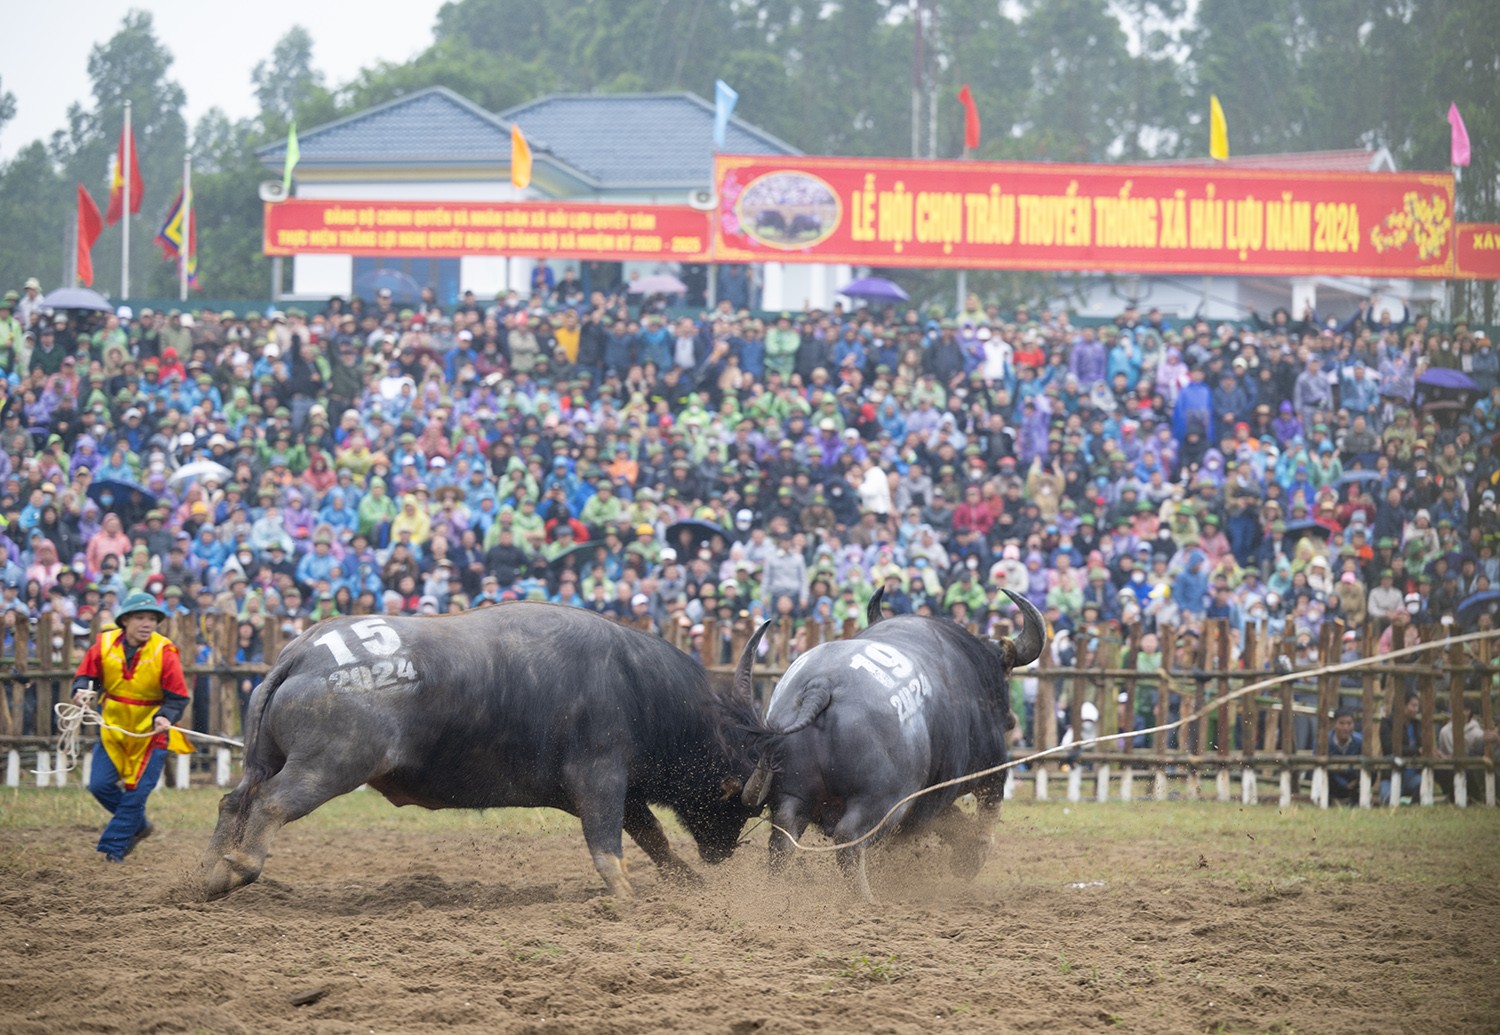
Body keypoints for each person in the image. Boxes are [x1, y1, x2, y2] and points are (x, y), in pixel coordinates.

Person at [71, 592, 193, 862]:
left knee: (136, 793)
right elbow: (85, 676)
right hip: (113, 728)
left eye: (152, 618)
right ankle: (139, 825)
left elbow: (178, 696)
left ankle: (113, 851)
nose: (147, 623)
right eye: (140, 617)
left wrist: (166, 717)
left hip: (151, 733)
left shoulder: (165, 651)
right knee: (99, 785)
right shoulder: (103, 645)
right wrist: (81, 691)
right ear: (125, 620)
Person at [1325, 708, 1362, 804]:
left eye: (1349, 724)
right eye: (1341, 723)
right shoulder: (1324, 742)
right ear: (1334, 724)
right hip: (1333, 783)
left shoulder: (1359, 742)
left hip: (1353, 783)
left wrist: (1355, 781)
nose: (1345, 727)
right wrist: (1344, 784)